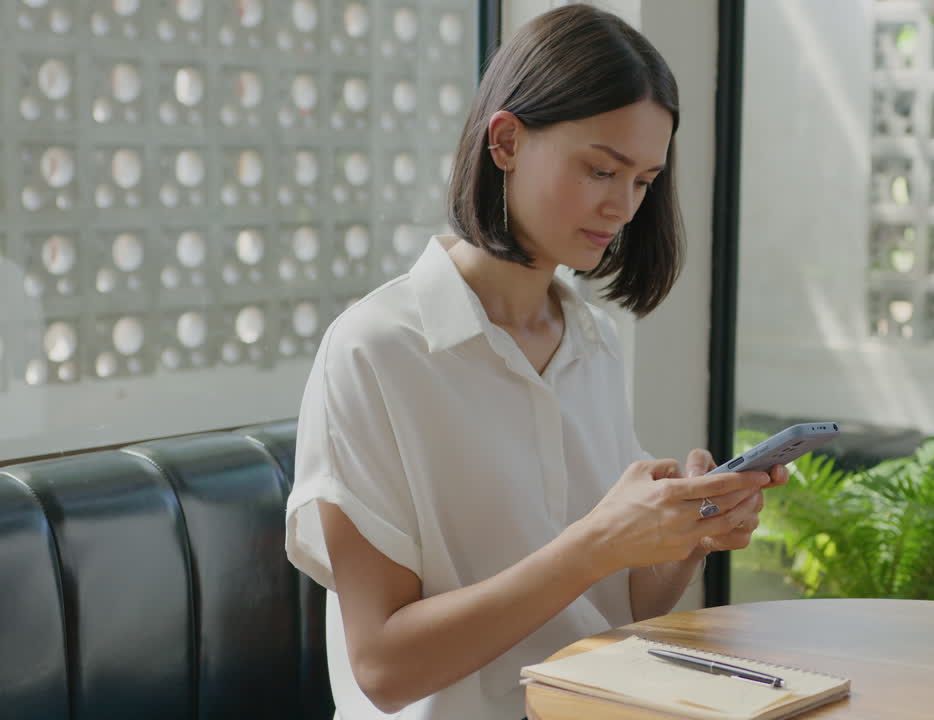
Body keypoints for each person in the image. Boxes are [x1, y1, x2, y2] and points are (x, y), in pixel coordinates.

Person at [285, 5, 787, 718]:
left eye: (643, 181)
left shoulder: (592, 342)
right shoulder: (375, 352)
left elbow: (619, 604)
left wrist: (686, 536)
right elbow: (384, 669)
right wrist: (597, 543)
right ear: (507, 142)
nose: (622, 207)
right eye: (601, 170)